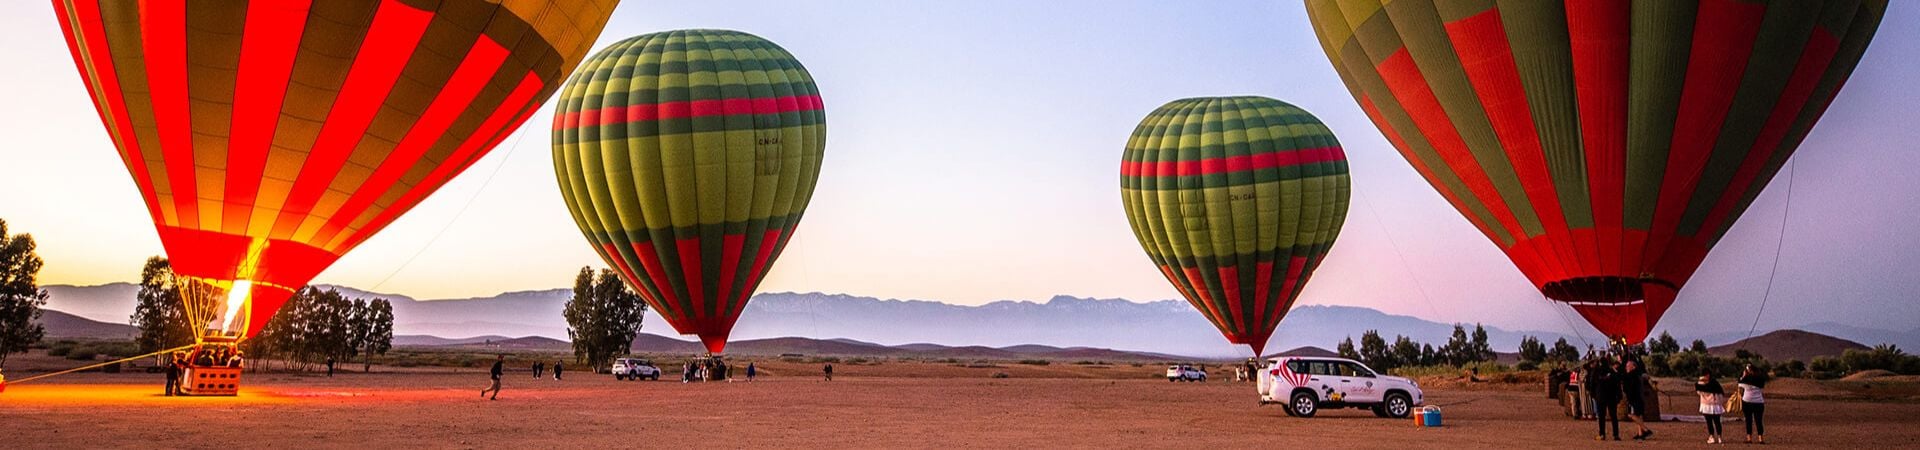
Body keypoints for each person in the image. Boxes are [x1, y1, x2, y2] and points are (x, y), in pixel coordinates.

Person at [1585, 358, 1622, 441]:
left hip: (1600, 397)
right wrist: (1619, 396)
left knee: (1601, 416)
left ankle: (1602, 434)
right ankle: (1616, 435)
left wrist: (1593, 394)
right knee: (1613, 416)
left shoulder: (1596, 371)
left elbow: (1591, 384)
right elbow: (1617, 384)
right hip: (1611, 396)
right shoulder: (1612, 371)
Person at [1621, 359, 1654, 440]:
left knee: (1632, 415)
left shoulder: (1631, 376)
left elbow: (1629, 388)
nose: (1626, 368)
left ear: (1633, 367)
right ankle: (1640, 433)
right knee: (1639, 415)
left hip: (1634, 398)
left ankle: (1646, 430)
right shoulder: (1638, 375)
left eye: (1628, 366)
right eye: (1626, 366)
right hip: (1639, 398)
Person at [1738, 364, 1769, 444]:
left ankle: (1749, 438)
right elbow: (1762, 385)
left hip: (1747, 402)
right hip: (1758, 402)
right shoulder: (1760, 379)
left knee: (1748, 420)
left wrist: (1743, 376)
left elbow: (1740, 384)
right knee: (1758, 421)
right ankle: (1760, 439)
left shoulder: (1746, 379)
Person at [1697, 371, 1728, 444]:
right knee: (1716, 422)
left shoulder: (1701, 383)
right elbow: (1720, 393)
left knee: (1710, 422)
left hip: (1707, 405)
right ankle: (1719, 437)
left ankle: (1712, 437)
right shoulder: (1715, 383)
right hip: (1715, 404)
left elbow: (1699, 392)